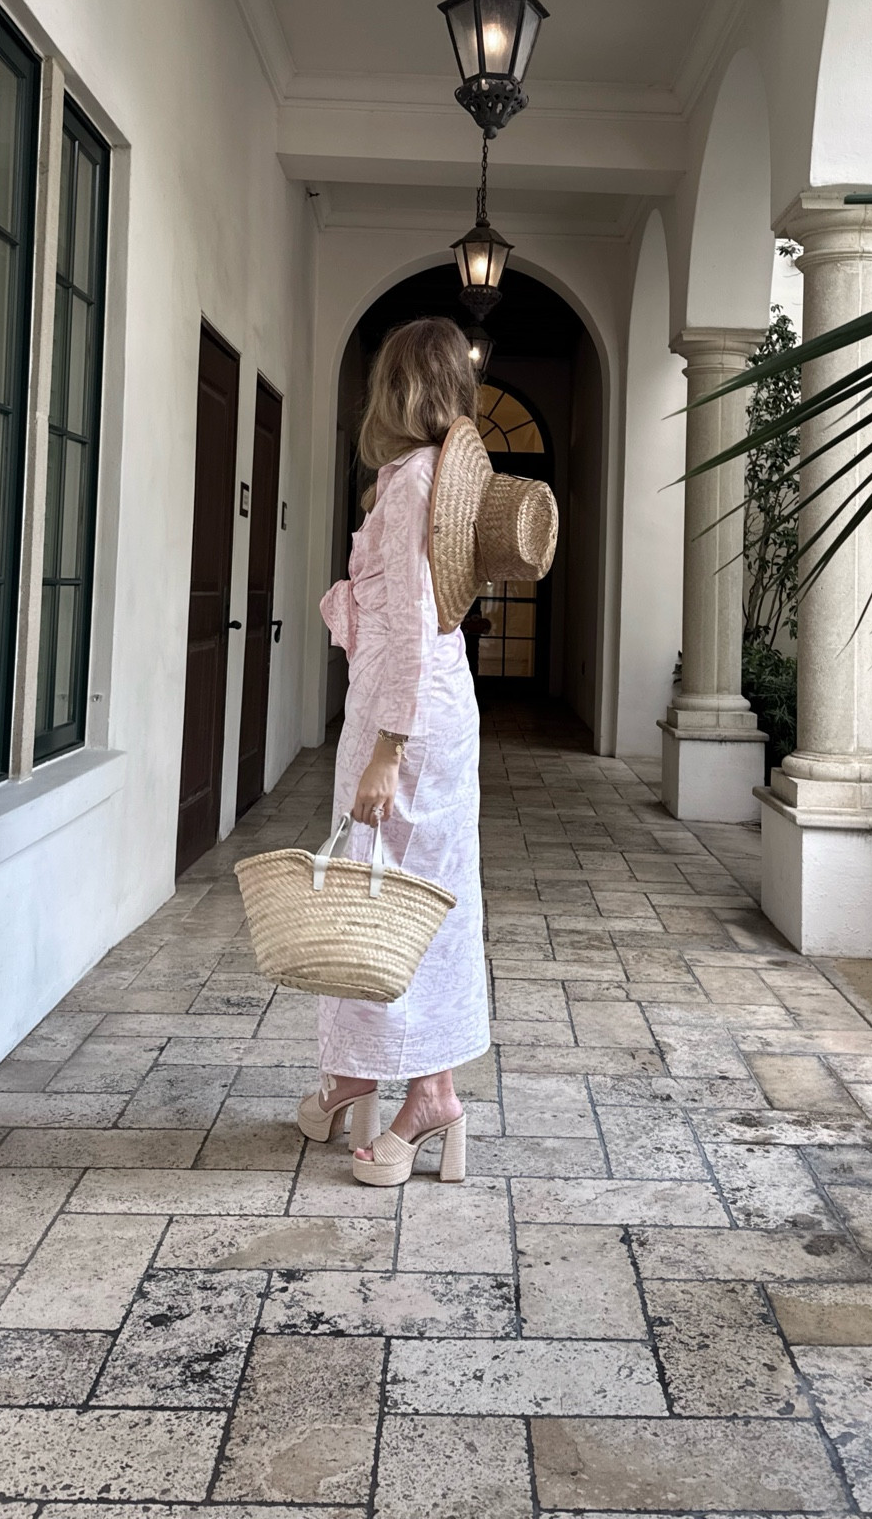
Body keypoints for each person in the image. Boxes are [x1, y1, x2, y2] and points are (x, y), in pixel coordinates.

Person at [302, 316, 489, 1186]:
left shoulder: (415, 482)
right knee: (393, 892)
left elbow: (413, 624)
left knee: (392, 899)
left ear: (398, 386)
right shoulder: (423, 475)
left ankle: (429, 1096)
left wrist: (388, 747)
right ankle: (360, 1071)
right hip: (412, 704)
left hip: (404, 716)